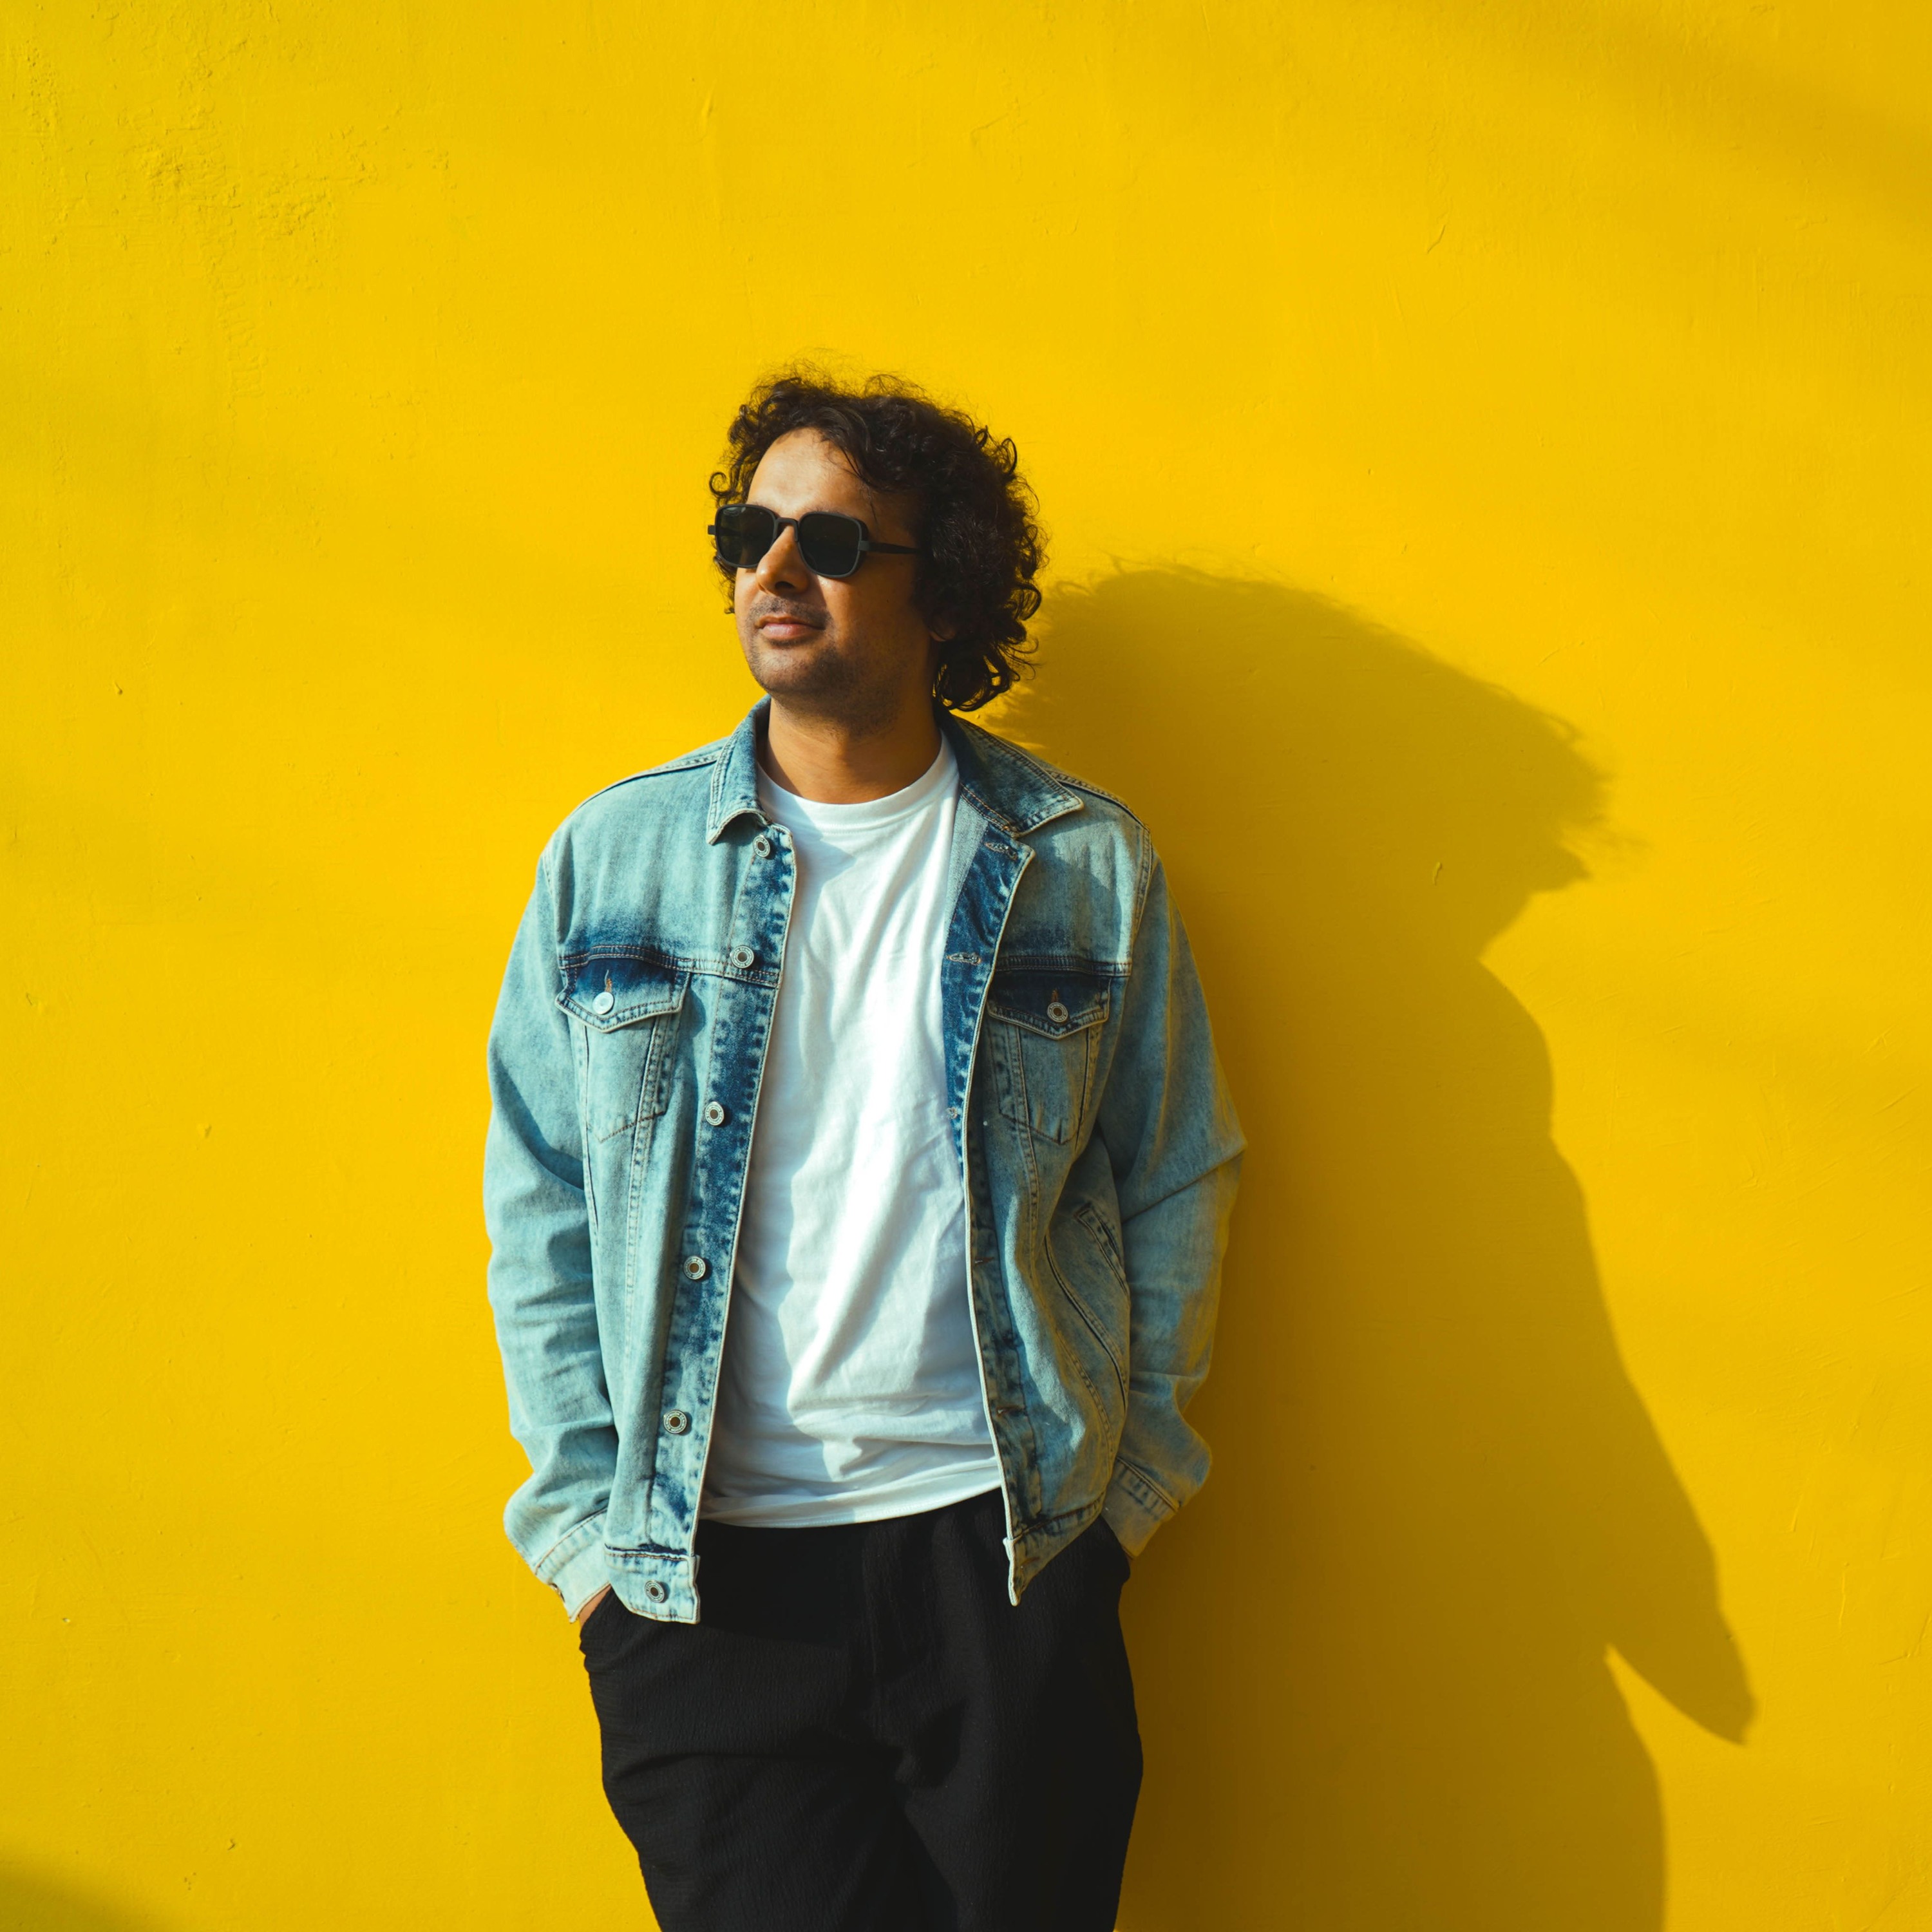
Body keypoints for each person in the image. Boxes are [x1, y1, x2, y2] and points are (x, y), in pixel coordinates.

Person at [482, 370, 1243, 1931]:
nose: (771, 570)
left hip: (1004, 1559)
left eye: (829, 542)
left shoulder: (1079, 864)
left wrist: (1126, 1506)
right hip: (708, 1589)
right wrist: (586, 1548)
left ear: (942, 590)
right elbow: (541, 1198)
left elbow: (1176, 1168)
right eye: (745, 534)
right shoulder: (614, 861)